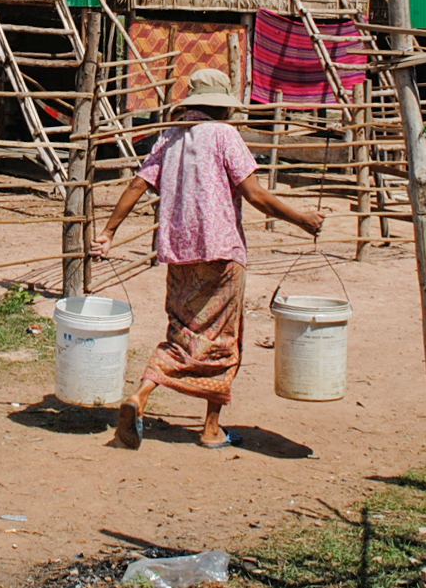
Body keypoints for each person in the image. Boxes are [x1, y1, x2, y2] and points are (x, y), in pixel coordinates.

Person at [89, 67, 325, 449]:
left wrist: (109, 232)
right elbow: (256, 196)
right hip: (221, 253)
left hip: (180, 255)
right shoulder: (225, 136)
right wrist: (302, 219)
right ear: (222, 107)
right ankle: (211, 429)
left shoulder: (170, 137)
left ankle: (141, 395)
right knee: (223, 339)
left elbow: (138, 184)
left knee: (182, 333)